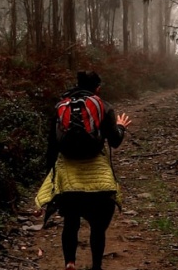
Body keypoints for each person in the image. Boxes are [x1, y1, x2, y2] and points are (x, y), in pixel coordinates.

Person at [35, 70, 132, 270]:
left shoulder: (60, 107)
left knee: (70, 222)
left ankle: (70, 262)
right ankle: (96, 266)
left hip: (68, 175)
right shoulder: (103, 106)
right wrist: (121, 126)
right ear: (97, 88)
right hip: (98, 175)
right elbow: (114, 141)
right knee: (98, 226)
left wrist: (51, 179)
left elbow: (52, 148)